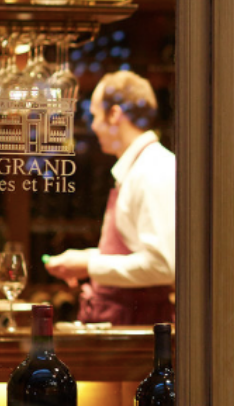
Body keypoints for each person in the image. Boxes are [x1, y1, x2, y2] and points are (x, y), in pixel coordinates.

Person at [45, 71, 176, 326]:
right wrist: (83, 260)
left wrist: (91, 264)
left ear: (115, 114)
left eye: (95, 115)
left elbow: (162, 264)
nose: (92, 125)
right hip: (125, 326)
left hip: (139, 334)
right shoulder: (140, 166)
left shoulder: (153, 170)